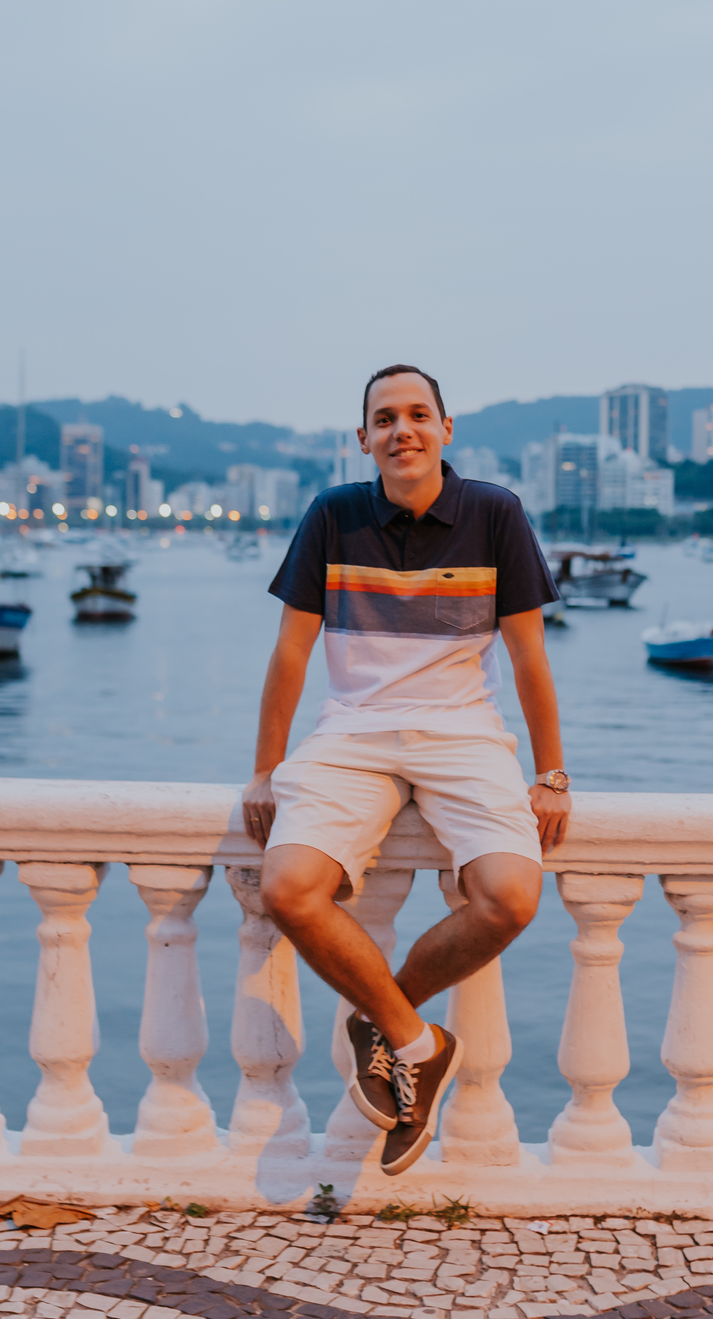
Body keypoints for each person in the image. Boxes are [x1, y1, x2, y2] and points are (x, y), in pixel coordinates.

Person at [241, 364, 571, 1175]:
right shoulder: (333, 514)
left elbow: (530, 657)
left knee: (510, 896)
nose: (403, 431)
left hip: (464, 734)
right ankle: (415, 1039)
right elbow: (292, 650)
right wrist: (264, 771)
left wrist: (552, 773)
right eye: (384, 419)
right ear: (364, 440)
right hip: (352, 732)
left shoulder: (494, 513)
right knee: (287, 888)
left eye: (418, 415)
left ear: (446, 428)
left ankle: (384, 1021)